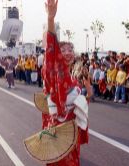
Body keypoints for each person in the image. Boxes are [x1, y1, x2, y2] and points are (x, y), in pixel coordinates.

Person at [41, 0, 92, 165]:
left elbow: (78, 104)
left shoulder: (73, 79)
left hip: (72, 131)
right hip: (60, 131)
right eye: (63, 50)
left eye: (71, 49)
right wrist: (50, 20)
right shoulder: (58, 73)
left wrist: (88, 95)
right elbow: (51, 52)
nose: (68, 52)